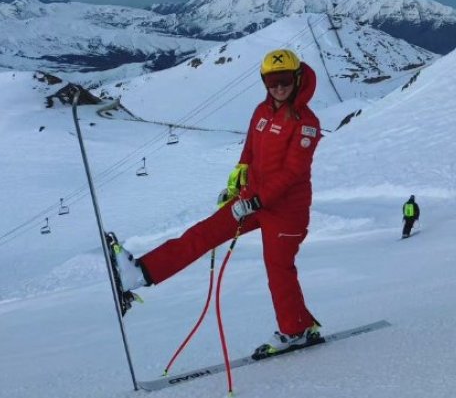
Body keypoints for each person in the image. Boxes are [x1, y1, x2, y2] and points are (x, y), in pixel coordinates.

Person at [114, 48, 323, 355]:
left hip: (286, 212)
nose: (278, 87)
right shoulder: (262, 112)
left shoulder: (306, 122)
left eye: (285, 80)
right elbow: (250, 151)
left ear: (298, 77)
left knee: (278, 269)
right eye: (271, 80)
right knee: (204, 233)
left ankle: (295, 331)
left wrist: (255, 201)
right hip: (251, 199)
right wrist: (238, 180)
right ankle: (142, 273)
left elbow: (293, 172)